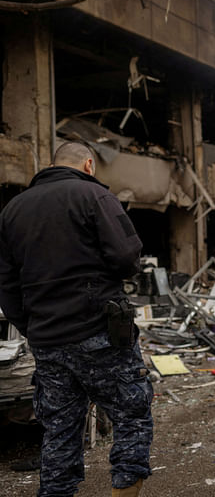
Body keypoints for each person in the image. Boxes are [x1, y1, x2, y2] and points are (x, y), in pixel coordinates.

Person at [0, 142, 152, 497]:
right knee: (131, 417)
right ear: (88, 164)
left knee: (59, 430)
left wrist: (33, 327)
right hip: (100, 332)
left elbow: (6, 285)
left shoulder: (12, 211)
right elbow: (127, 256)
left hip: (47, 341)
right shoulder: (94, 196)